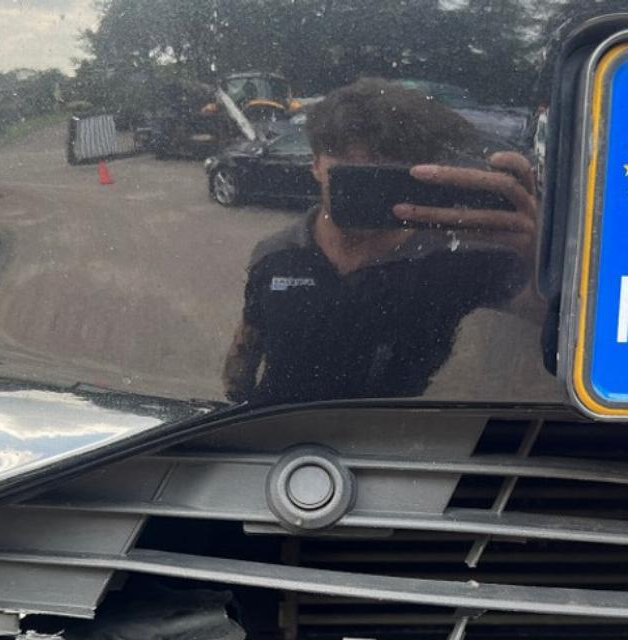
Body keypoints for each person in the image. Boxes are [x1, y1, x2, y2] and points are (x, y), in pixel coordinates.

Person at [222, 78, 536, 404]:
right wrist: (236, 412)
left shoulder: (453, 257)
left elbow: (549, 320)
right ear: (315, 165)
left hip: (393, 432)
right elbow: (245, 348)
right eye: (350, 176)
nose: (368, 189)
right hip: (276, 426)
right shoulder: (276, 253)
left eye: (383, 174)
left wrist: (539, 252)